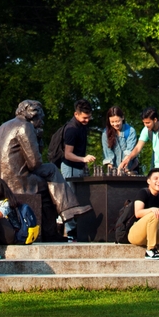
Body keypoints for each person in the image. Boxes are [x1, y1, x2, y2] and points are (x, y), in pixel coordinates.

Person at [0, 99, 91, 240]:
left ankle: (62, 219)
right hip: (16, 181)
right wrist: (38, 139)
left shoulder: (5, 125)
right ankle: (67, 213)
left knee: (48, 184)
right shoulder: (25, 127)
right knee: (51, 171)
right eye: (40, 119)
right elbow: (34, 163)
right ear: (33, 116)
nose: (41, 123)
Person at [61, 99, 97, 241]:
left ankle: (79, 229)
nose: (87, 120)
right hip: (70, 167)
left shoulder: (82, 127)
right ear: (76, 114)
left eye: (89, 117)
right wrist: (83, 159)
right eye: (84, 117)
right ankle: (70, 231)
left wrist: (84, 163)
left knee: (81, 198)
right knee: (70, 199)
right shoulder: (71, 129)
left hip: (79, 166)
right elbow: (67, 154)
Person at [120, 107, 159, 175]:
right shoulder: (146, 129)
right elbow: (138, 147)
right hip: (157, 168)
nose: (145, 125)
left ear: (155, 120)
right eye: (144, 123)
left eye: (148, 123)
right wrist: (128, 159)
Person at [102, 106, 139, 173]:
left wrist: (123, 166)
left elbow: (129, 152)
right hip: (114, 170)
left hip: (129, 169)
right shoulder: (105, 133)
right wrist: (111, 168)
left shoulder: (131, 131)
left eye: (117, 121)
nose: (115, 124)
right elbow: (107, 152)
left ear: (122, 118)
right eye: (112, 122)